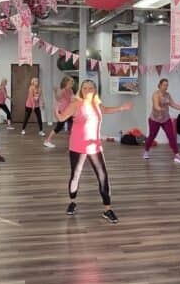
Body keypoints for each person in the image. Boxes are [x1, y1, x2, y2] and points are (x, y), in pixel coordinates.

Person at [56, 80, 132, 223]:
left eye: (90, 88)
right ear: (81, 90)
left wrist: (121, 108)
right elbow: (61, 118)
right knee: (75, 175)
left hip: (94, 146)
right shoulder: (76, 104)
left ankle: (107, 209)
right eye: (85, 88)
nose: (88, 90)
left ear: (95, 90)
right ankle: (72, 202)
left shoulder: (97, 103)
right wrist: (56, 108)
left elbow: (106, 110)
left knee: (103, 176)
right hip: (77, 145)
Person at [143, 78, 180, 164]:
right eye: (164, 85)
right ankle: (146, 151)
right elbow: (156, 106)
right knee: (151, 136)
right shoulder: (156, 94)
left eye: (167, 85)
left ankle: (177, 155)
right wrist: (161, 109)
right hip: (155, 119)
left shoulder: (168, 95)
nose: (166, 87)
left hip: (165, 119)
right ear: (160, 85)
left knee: (171, 136)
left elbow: (174, 105)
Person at [44, 76, 75, 148]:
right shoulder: (63, 90)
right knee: (59, 127)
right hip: (63, 112)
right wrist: (55, 91)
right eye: (70, 83)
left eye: (72, 83)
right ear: (66, 83)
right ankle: (47, 141)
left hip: (69, 111)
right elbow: (57, 98)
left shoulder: (70, 90)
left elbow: (73, 98)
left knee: (72, 127)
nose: (72, 84)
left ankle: (73, 142)